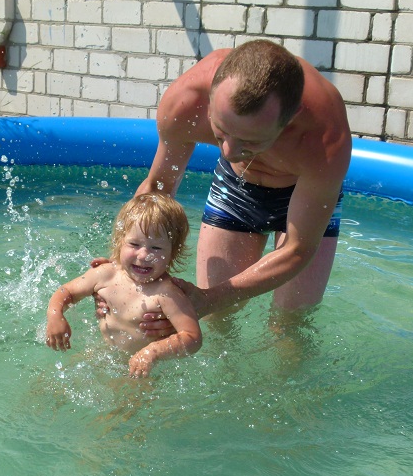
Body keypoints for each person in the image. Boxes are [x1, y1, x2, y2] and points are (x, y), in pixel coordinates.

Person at [124, 39, 351, 333]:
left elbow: (299, 248)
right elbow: (158, 189)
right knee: (216, 322)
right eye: (221, 132)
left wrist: (209, 298)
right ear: (210, 98)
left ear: (291, 118)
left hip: (302, 194)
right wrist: (121, 277)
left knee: (290, 326)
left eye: (250, 141)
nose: (229, 152)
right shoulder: (186, 101)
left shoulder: (324, 138)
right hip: (237, 187)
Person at [46, 193, 202, 378]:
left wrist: (152, 352)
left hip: (142, 370)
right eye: (134, 244)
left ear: (173, 252)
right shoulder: (106, 274)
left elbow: (192, 337)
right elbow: (67, 291)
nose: (143, 255)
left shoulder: (167, 294)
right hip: (103, 354)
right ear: (120, 242)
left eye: (156, 248)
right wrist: (55, 315)